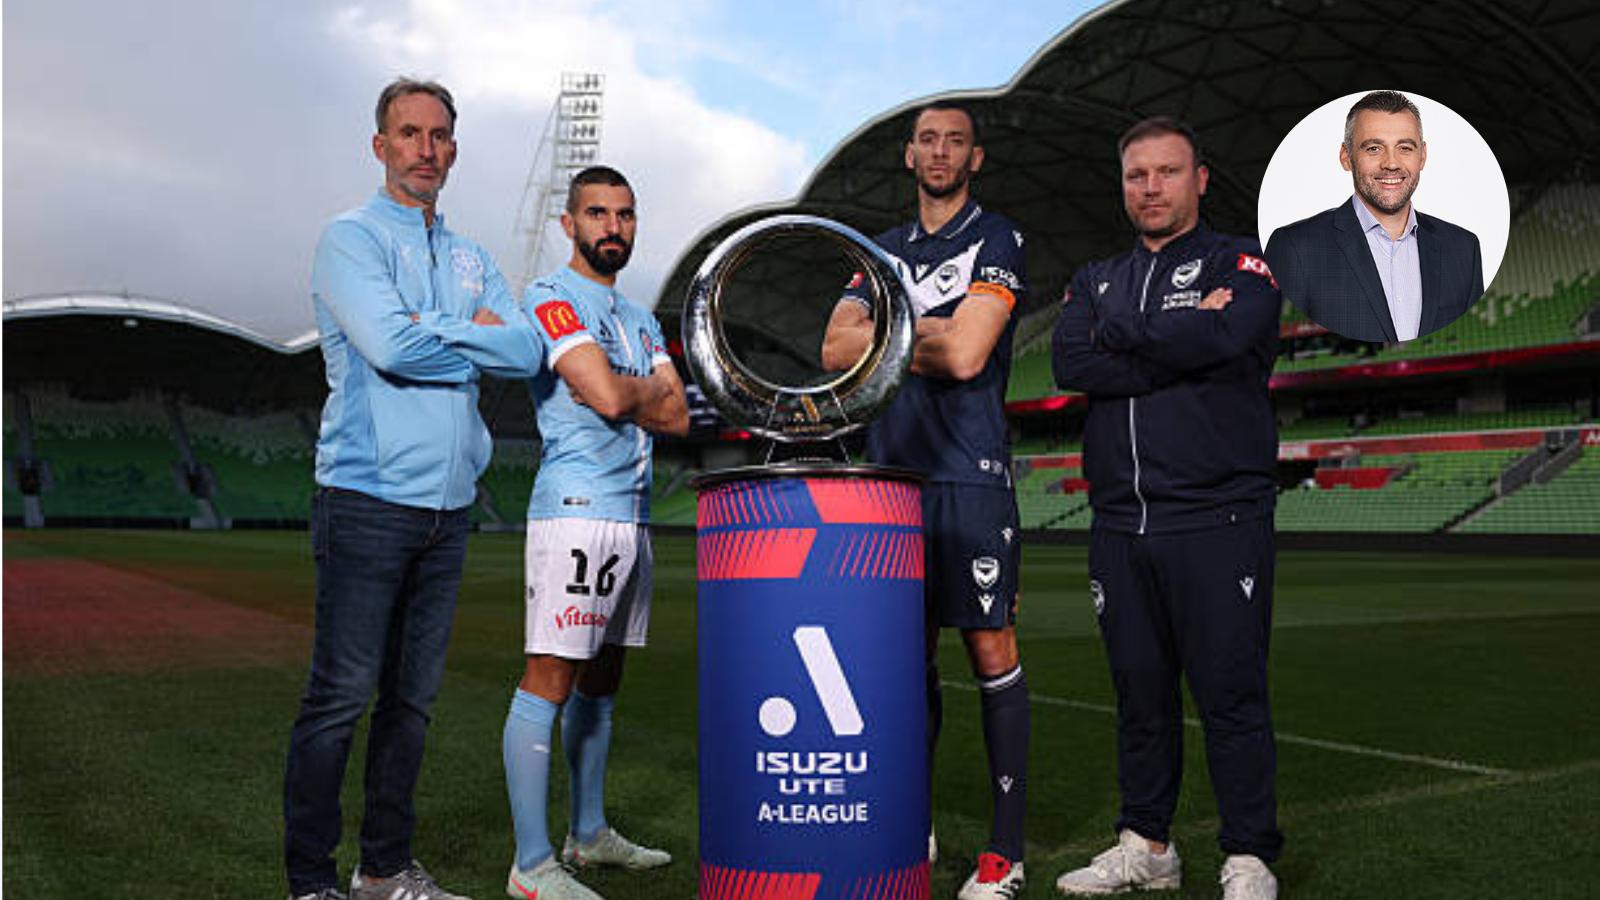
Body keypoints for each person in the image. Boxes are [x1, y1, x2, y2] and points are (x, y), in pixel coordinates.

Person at [286, 78, 546, 900]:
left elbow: (531, 352)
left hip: (449, 507)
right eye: (409, 133)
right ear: (381, 146)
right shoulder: (350, 239)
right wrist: (464, 339)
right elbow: (392, 353)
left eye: (438, 136)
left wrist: (435, 329)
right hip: (366, 499)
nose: (425, 149)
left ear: (453, 150)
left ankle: (383, 871)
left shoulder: (469, 255)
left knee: (412, 704)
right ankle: (310, 882)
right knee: (341, 699)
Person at [1050, 116, 1283, 900]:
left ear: (1200, 179)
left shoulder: (1241, 261)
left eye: (1166, 172)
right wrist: (1177, 337)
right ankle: (1147, 846)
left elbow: (1232, 336)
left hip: (1217, 519)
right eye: (1136, 175)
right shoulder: (1096, 277)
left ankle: (1250, 855)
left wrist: (1132, 339)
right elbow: (1072, 359)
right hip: (1119, 525)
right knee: (1139, 696)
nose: (1149, 188)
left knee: (1231, 696)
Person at [822, 102, 1030, 900]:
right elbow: (835, 351)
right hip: (890, 482)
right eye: (928, 140)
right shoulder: (876, 252)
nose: (941, 151)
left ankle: (1003, 855)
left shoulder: (998, 238)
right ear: (909, 156)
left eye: (956, 141)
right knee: (904, 663)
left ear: (974, 158)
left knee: (988, 650)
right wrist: (932, 330)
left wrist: (892, 334)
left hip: (971, 479)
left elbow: (972, 354)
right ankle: (913, 823)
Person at [501, 165, 688, 900]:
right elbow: (613, 395)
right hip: (577, 509)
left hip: (633, 516)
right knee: (550, 677)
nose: (613, 227)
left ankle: (587, 835)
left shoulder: (640, 319)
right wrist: (633, 388)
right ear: (569, 224)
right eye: (598, 214)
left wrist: (623, 389)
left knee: (603, 683)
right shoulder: (548, 297)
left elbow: (676, 417)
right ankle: (531, 864)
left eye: (625, 215)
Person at [1265, 90, 1484, 343]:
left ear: (1422, 155)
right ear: (1346, 157)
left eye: (1405, 148)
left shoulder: (1463, 249)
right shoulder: (1295, 248)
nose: (1391, 163)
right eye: (1374, 148)